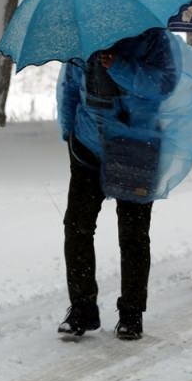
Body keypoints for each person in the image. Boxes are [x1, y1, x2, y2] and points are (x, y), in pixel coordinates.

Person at [55, 28, 177, 341]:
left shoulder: (152, 37)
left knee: (133, 233)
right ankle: (82, 308)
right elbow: (69, 86)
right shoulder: (84, 36)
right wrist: (69, 130)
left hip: (135, 146)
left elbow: (163, 84)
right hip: (87, 144)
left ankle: (131, 313)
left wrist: (120, 67)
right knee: (77, 226)